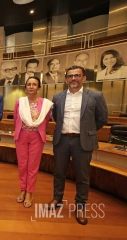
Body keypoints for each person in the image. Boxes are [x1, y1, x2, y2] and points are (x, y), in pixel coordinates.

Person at [46, 65, 108, 225]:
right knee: (59, 172)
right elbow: (56, 118)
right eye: (70, 76)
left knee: (83, 176)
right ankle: (57, 198)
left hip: (83, 141)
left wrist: (88, 131)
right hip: (62, 140)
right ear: (66, 79)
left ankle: (80, 206)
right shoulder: (57, 97)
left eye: (77, 75)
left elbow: (102, 118)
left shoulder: (95, 96)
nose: (73, 78)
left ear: (84, 78)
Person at [14, 76, 53, 207]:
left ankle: (30, 192)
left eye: (34, 84)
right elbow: (16, 119)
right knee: (22, 165)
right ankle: (22, 189)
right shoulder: (20, 102)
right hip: (22, 136)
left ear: (38, 87)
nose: (31, 86)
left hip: (37, 136)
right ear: (25, 87)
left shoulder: (45, 103)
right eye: (29, 84)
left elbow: (46, 120)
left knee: (33, 166)